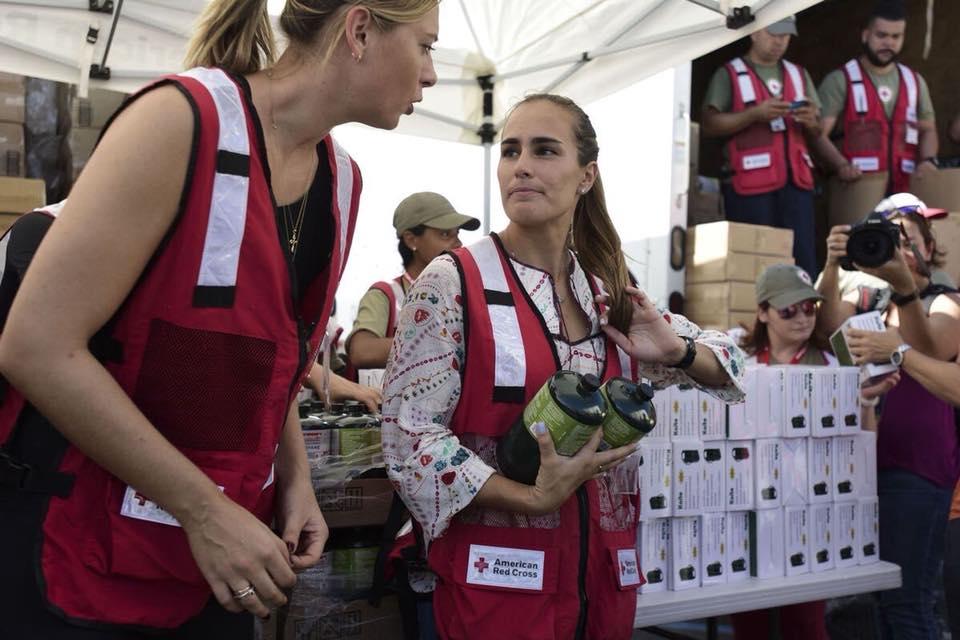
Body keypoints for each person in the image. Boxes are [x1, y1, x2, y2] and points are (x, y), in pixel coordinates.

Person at [0, 0, 439, 638]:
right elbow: (37, 348)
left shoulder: (342, 182)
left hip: (214, 565)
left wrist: (294, 479)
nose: (430, 74)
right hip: (76, 552)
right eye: (424, 46)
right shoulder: (180, 121)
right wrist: (204, 510)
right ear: (361, 29)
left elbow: (267, 351)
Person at [382, 93, 745, 639]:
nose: (521, 165)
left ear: (585, 176)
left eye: (545, 150)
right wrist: (531, 497)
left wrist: (676, 353)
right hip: (500, 585)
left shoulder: (607, 294)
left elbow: (731, 360)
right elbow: (409, 440)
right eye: (510, 151)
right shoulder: (452, 281)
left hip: (600, 584)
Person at [818, 193, 960, 640]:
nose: (894, 247)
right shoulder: (872, 304)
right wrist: (831, 265)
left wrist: (903, 289)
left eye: (904, 239)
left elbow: (935, 348)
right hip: (868, 464)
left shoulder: (945, 299)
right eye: (885, 237)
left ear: (927, 248)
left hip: (919, 468)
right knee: (877, 600)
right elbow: (827, 328)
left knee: (908, 600)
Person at [730, 263, 897, 640]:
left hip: (811, 509)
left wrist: (866, 405)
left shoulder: (833, 363)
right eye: (789, 309)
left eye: (810, 307)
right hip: (749, 507)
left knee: (804, 624)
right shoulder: (739, 363)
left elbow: (861, 446)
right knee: (749, 623)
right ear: (763, 312)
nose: (802, 317)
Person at [701, 15, 821, 277]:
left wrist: (811, 121)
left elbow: (819, 131)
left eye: (786, 35)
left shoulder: (798, 74)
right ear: (754, 33)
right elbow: (709, 124)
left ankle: (804, 316)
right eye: (773, 33)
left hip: (796, 185)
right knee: (755, 264)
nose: (780, 41)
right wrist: (754, 114)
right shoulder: (730, 73)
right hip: (749, 187)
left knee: (802, 261)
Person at [345, 191, 479, 372]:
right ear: (411, 240)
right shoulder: (386, 295)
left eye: (457, 234)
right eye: (446, 234)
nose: (458, 244)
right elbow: (362, 351)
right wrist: (438, 343)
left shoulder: (464, 294)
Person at [815, 0, 938, 195]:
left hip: (904, 192)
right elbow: (817, 134)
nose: (889, 42)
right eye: (881, 35)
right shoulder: (841, 79)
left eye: (896, 36)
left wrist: (929, 160)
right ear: (866, 35)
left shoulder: (914, 81)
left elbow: (928, 129)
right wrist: (841, 165)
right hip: (858, 189)